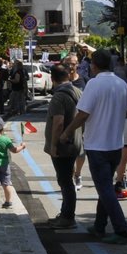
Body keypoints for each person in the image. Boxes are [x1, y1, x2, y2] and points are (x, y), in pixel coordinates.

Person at [60, 48, 127, 245]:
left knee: (105, 189)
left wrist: (67, 132)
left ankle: (121, 229)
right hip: (116, 144)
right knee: (105, 186)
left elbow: (83, 114)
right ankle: (100, 225)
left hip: (98, 144)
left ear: (94, 65)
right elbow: (126, 114)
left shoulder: (93, 84)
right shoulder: (122, 84)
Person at [42, 62, 83, 229]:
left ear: (52, 79)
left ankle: (67, 217)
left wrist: (53, 145)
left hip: (63, 145)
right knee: (67, 180)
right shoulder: (78, 92)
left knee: (65, 182)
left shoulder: (59, 96)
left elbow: (58, 123)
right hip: (76, 143)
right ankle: (65, 213)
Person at [0, 116, 25, 209]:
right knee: (7, 184)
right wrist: (22, 146)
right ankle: (8, 202)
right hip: (5, 165)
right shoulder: (6, 139)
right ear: (2, 128)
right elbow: (14, 150)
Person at [4, 54, 29, 119]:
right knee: (21, 100)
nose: (13, 64)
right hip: (21, 87)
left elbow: (17, 80)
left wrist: (10, 80)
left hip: (17, 88)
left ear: (17, 65)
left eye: (14, 63)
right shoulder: (22, 71)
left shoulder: (18, 71)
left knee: (16, 100)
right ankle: (21, 112)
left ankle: (17, 112)